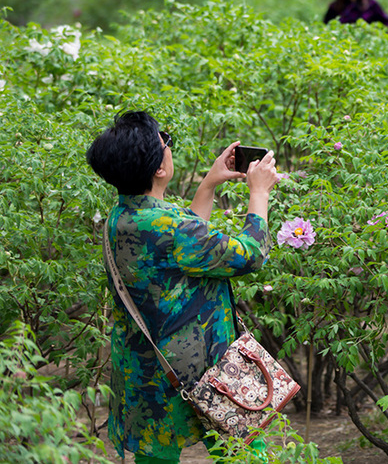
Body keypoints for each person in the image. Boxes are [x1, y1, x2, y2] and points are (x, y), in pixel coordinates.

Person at [86, 111, 283, 463]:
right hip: (203, 372)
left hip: (148, 371)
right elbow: (250, 255)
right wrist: (260, 193)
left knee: (155, 456)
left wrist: (208, 183)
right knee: (243, 454)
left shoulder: (123, 218)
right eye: (166, 142)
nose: (169, 147)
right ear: (158, 168)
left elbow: (183, 250)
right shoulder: (171, 227)